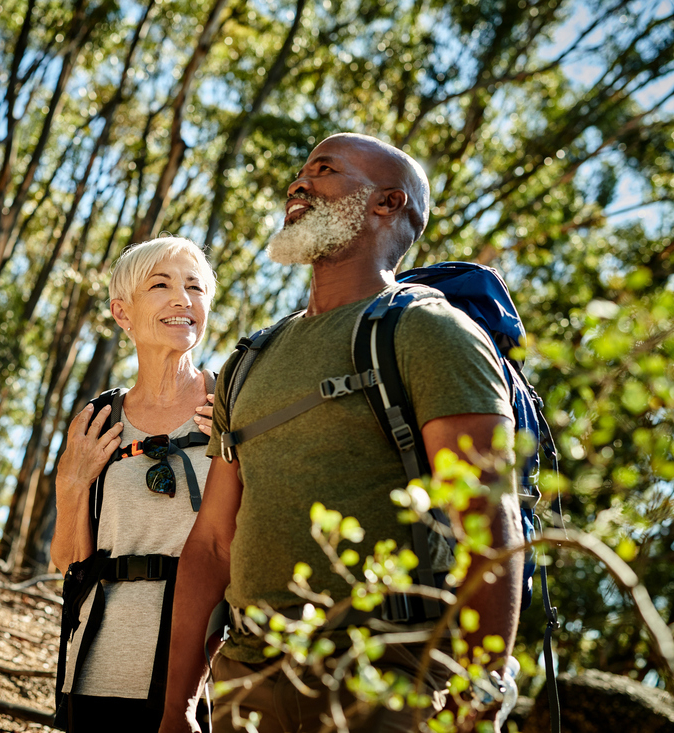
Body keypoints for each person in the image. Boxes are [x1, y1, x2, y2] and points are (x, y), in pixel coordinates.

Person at [158, 133, 524, 733]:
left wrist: (476, 700)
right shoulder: (252, 358)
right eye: (300, 172)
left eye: (324, 170)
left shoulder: (430, 333)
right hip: (247, 685)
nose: (297, 184)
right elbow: (213, 546)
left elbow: (487, 520)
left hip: (384, 683)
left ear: (387, 203)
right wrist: (175, 707)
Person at [51, 236, 218, 732]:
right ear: (122, 313)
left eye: (195, 287)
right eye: (160, 285)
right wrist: (72, 484)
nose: (182, 299)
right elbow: (69, 560)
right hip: (101, 664)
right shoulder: (100, 418)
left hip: (207, 671)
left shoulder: (232, 404)